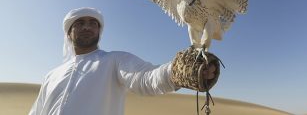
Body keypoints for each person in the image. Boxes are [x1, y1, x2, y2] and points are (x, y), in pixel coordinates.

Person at [28, 7, 217, 115]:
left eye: (93, 23)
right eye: (80, 23)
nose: (87, 27)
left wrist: (178, 72)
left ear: (99, 32)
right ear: (69, 33)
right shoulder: (51, 75)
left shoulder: (114, 60)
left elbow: (146, 78)